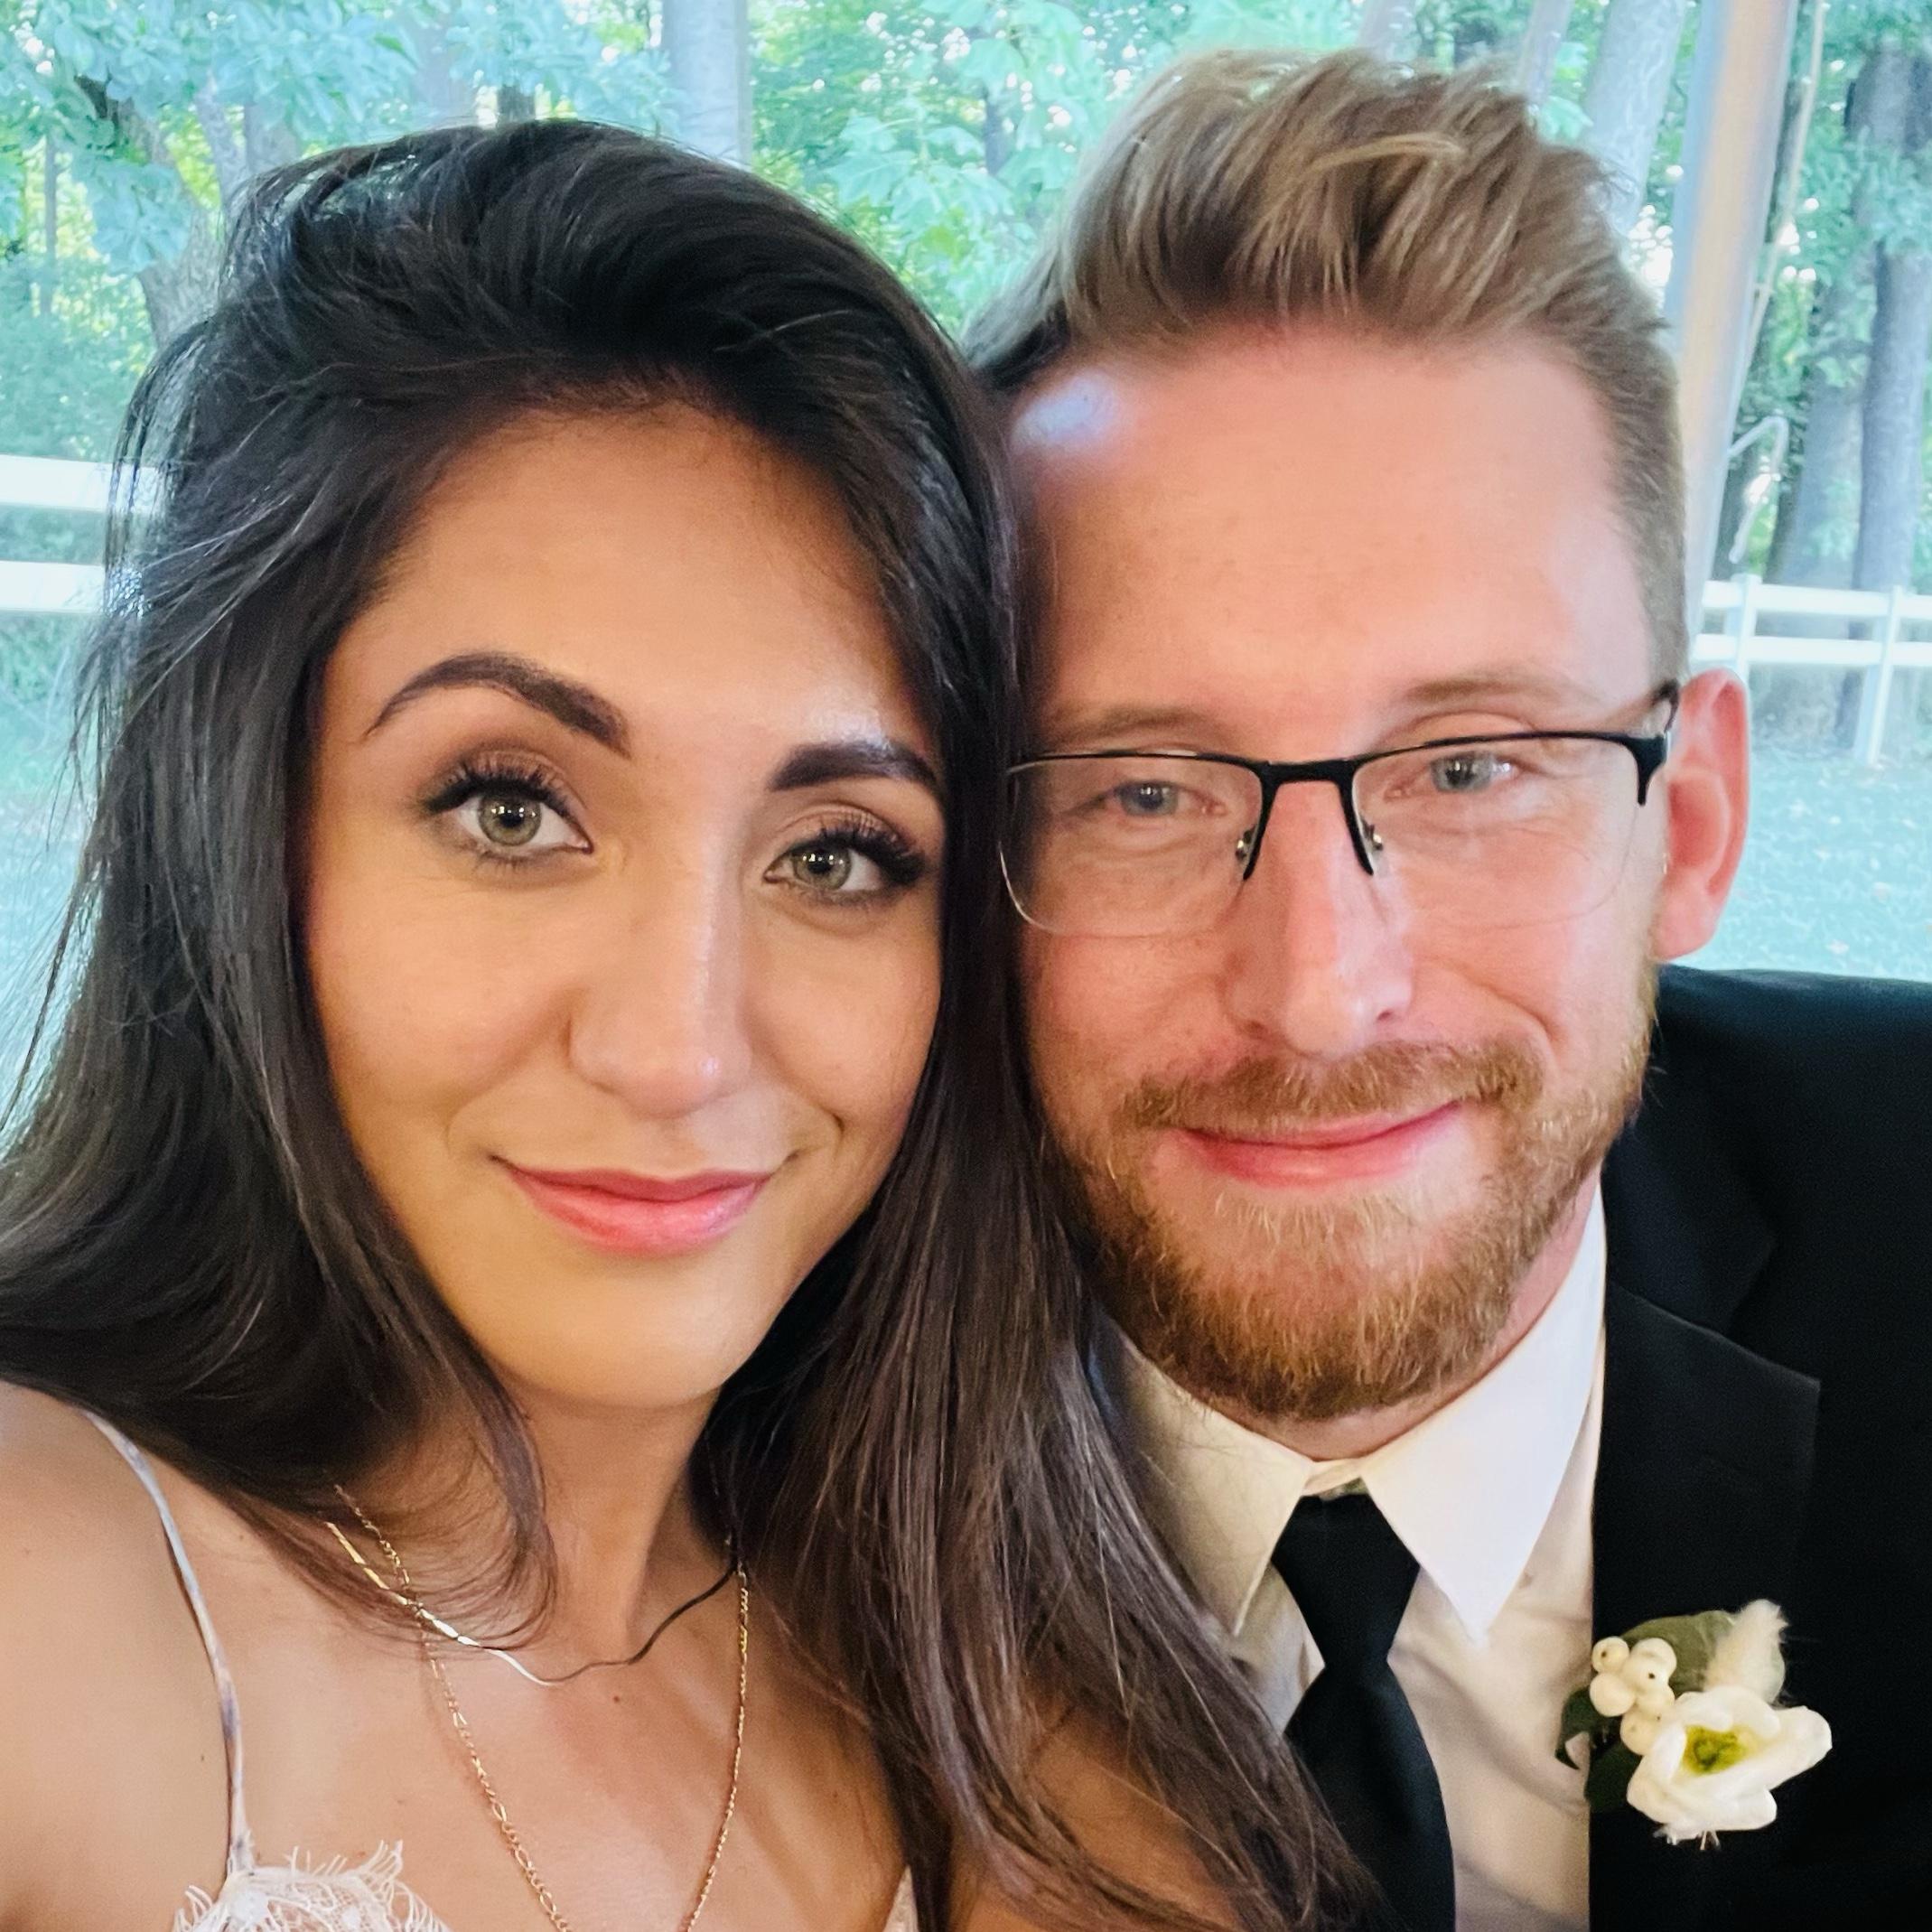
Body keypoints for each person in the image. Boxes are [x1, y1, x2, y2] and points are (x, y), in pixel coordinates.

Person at [0, 122, 1357, 1932]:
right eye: (508, 809)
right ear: (233, 837)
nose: (676, 1050)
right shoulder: (44, 1591)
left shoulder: (1027, 1698)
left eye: (835, 854)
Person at [971, 48, 1932, 1932]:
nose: (1320, 992)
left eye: (1472, 767)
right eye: (1142, 792)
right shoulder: (741, 1405)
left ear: (1690, 823)